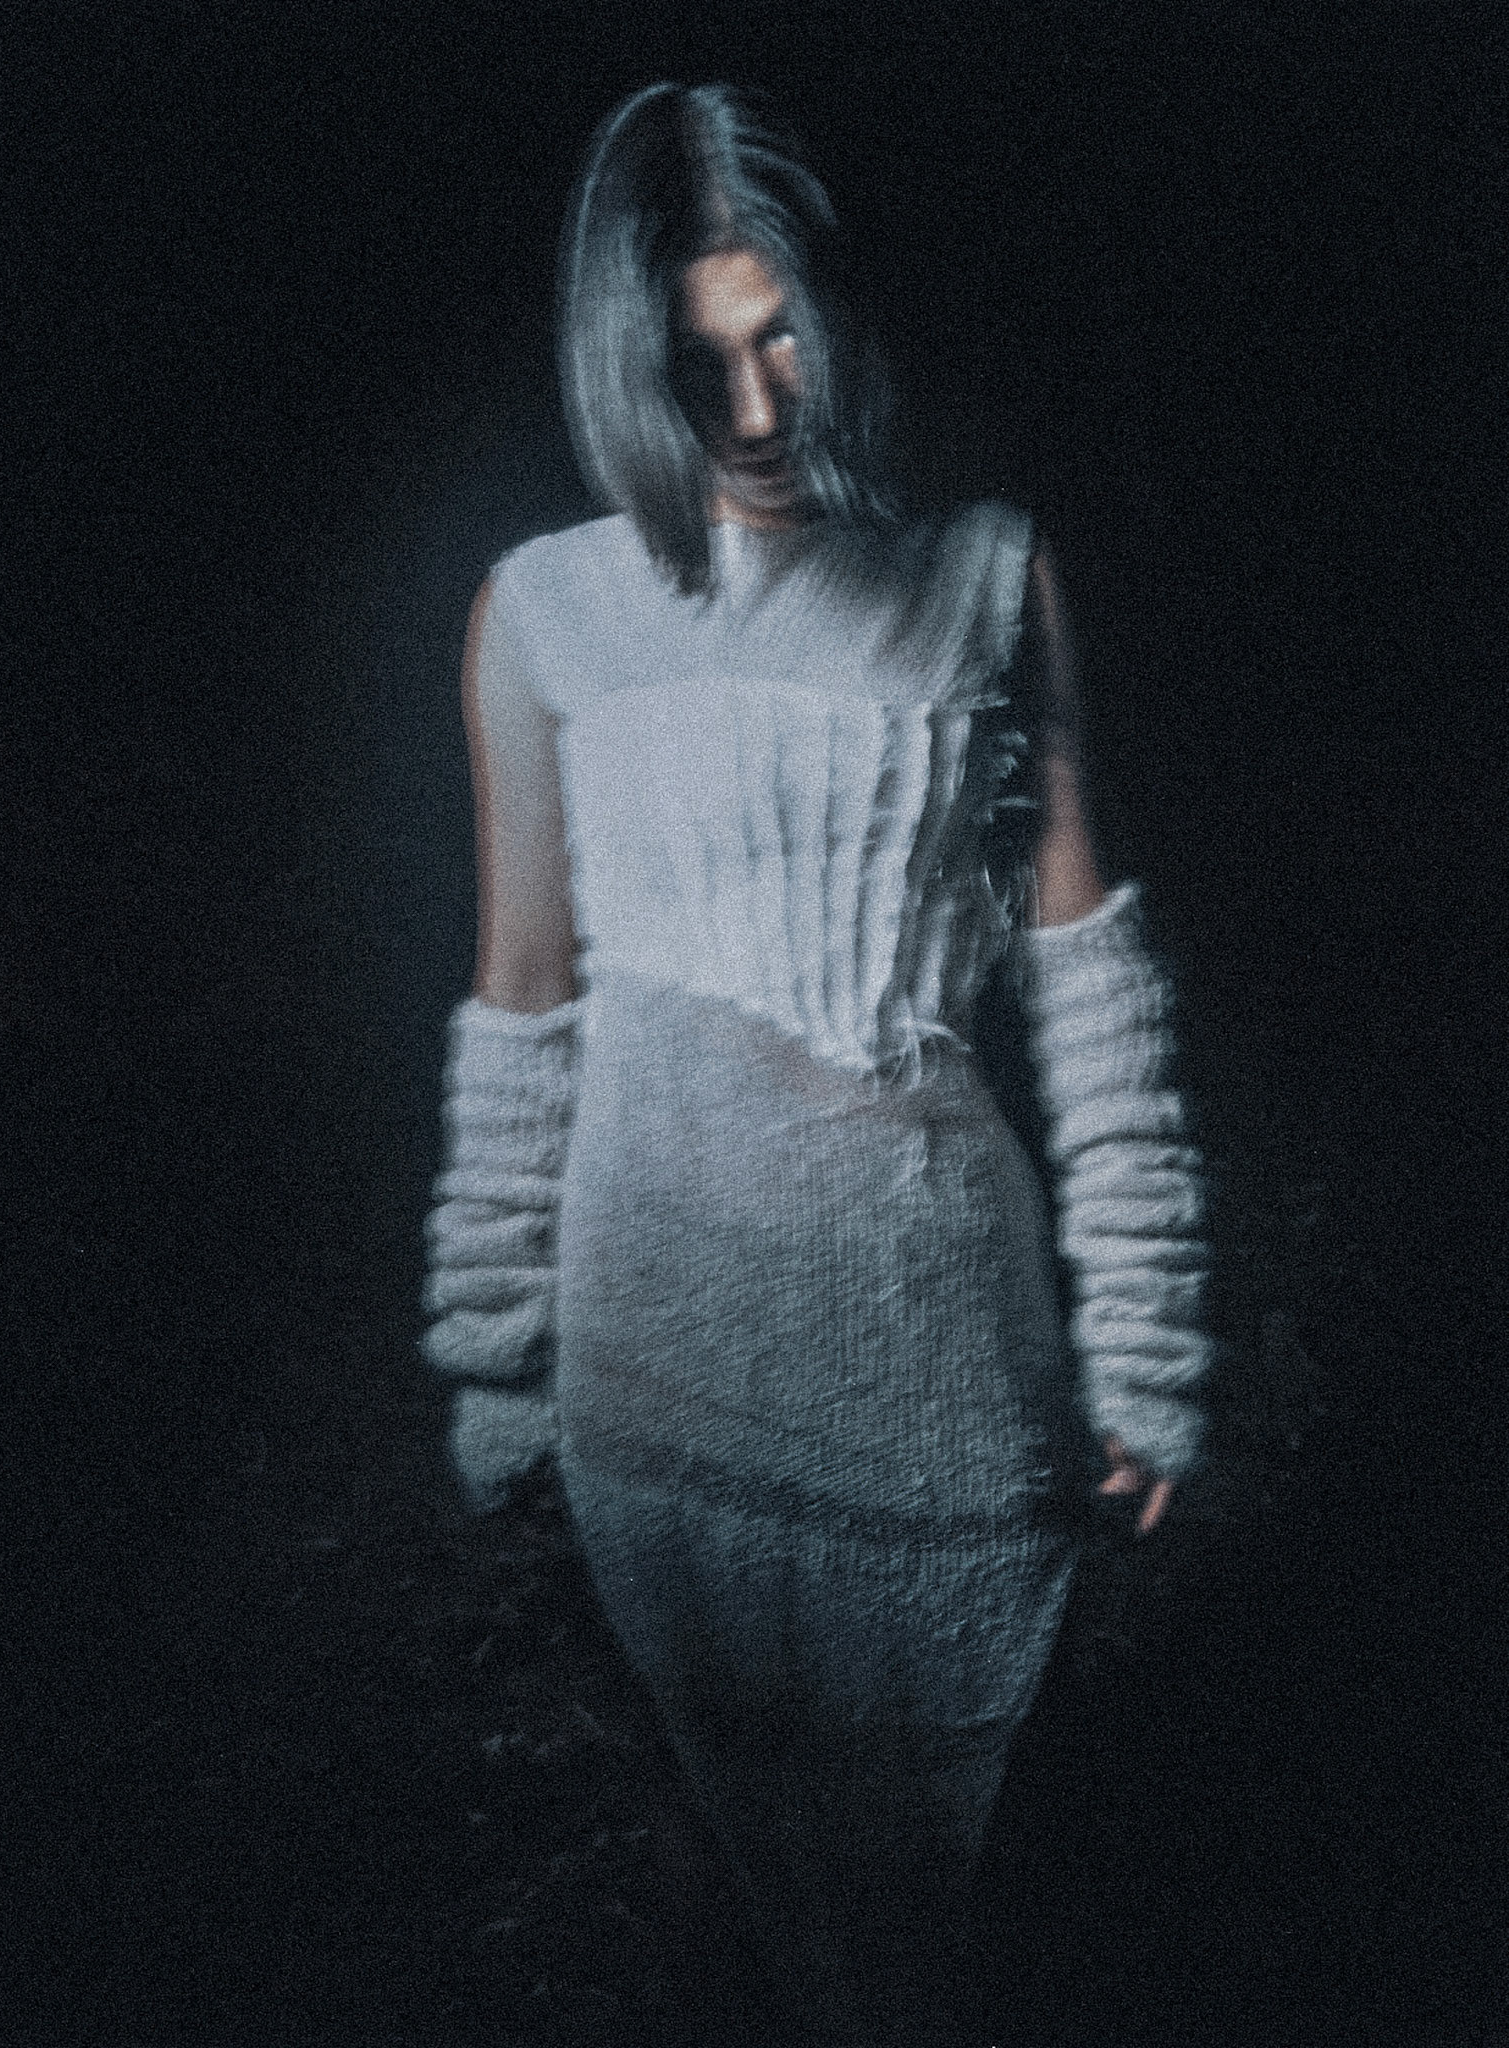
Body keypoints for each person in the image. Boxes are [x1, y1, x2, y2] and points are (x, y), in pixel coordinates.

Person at [422, 81, 1210, 2046]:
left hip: (942, 1336)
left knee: (987, 1906)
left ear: (836, 315)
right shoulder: (544, 613)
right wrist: (496, 1370)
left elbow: (1089, 978)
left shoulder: (987, 577)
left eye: (783, 339)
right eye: (700, 365)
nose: (757, 404)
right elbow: (522, 995)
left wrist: (1143, 1345)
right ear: (624, 366)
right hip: (662, 1353)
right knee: (728, 1907)